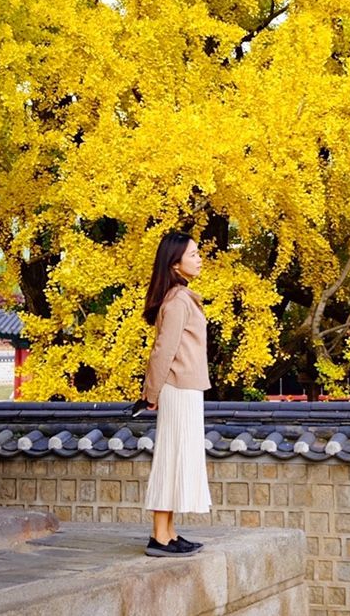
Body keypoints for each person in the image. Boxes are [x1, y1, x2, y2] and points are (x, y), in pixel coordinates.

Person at [141, 231, 212, 557]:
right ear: (175, 262)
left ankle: (168, 532)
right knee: (172, 456)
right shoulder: (179, 301)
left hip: (186, 386)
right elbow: (163, 351)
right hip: (177, 387)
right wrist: (151, 393)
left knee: (178, 456)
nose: (199, 258)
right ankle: (159, 535)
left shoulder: (180, 297)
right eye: (194, 254)